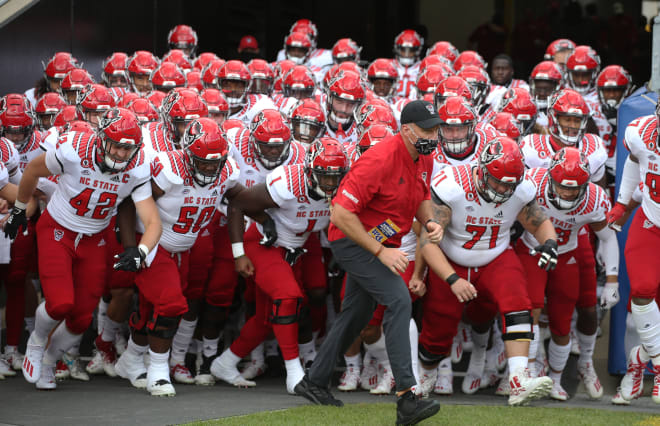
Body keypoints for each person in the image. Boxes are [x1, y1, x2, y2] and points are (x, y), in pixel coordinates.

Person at [294, 100, 442, 425]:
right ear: (406, 130)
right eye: (428, 129)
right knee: (399, 300)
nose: (435, 134)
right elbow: (341, 214)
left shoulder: (424, 157)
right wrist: (380, 251)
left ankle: (313, 381)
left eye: (435, 127)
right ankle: (407, 398)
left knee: (357, 314)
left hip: (380, 239)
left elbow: (422, 197)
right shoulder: (379, 159)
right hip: (353, 240)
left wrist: (429, 222)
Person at [5, 107, 161, 390]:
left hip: (94, 239)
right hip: (58, 230)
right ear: (102, 139)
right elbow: (32, 171)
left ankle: (51, 360)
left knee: (80, 318)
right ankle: (38, 341)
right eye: (117, 145)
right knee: (61, 303)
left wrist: (141, 251)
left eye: (129, 148)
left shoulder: (138, 166)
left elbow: (151, 220)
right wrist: (18, 210)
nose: (123, 154)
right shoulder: (74, 149)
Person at [418, 137, 556, 406]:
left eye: (509, 184)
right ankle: (426, 376)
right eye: (497, 181)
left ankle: (518, 379)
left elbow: (538, 221)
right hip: (450, 258)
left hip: (496, 256)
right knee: (438, 330)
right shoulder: (453, 186)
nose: (503, 189)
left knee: (518, 301)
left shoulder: (521, 188)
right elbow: (427, 242)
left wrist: (549, 242)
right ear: (481, 171)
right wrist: (452, 278)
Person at [608, 100, 660, 405]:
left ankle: (638, 361)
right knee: (641, 290)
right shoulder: (640, 132)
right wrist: (622, 202)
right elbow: (633, 161)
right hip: (650, 221)